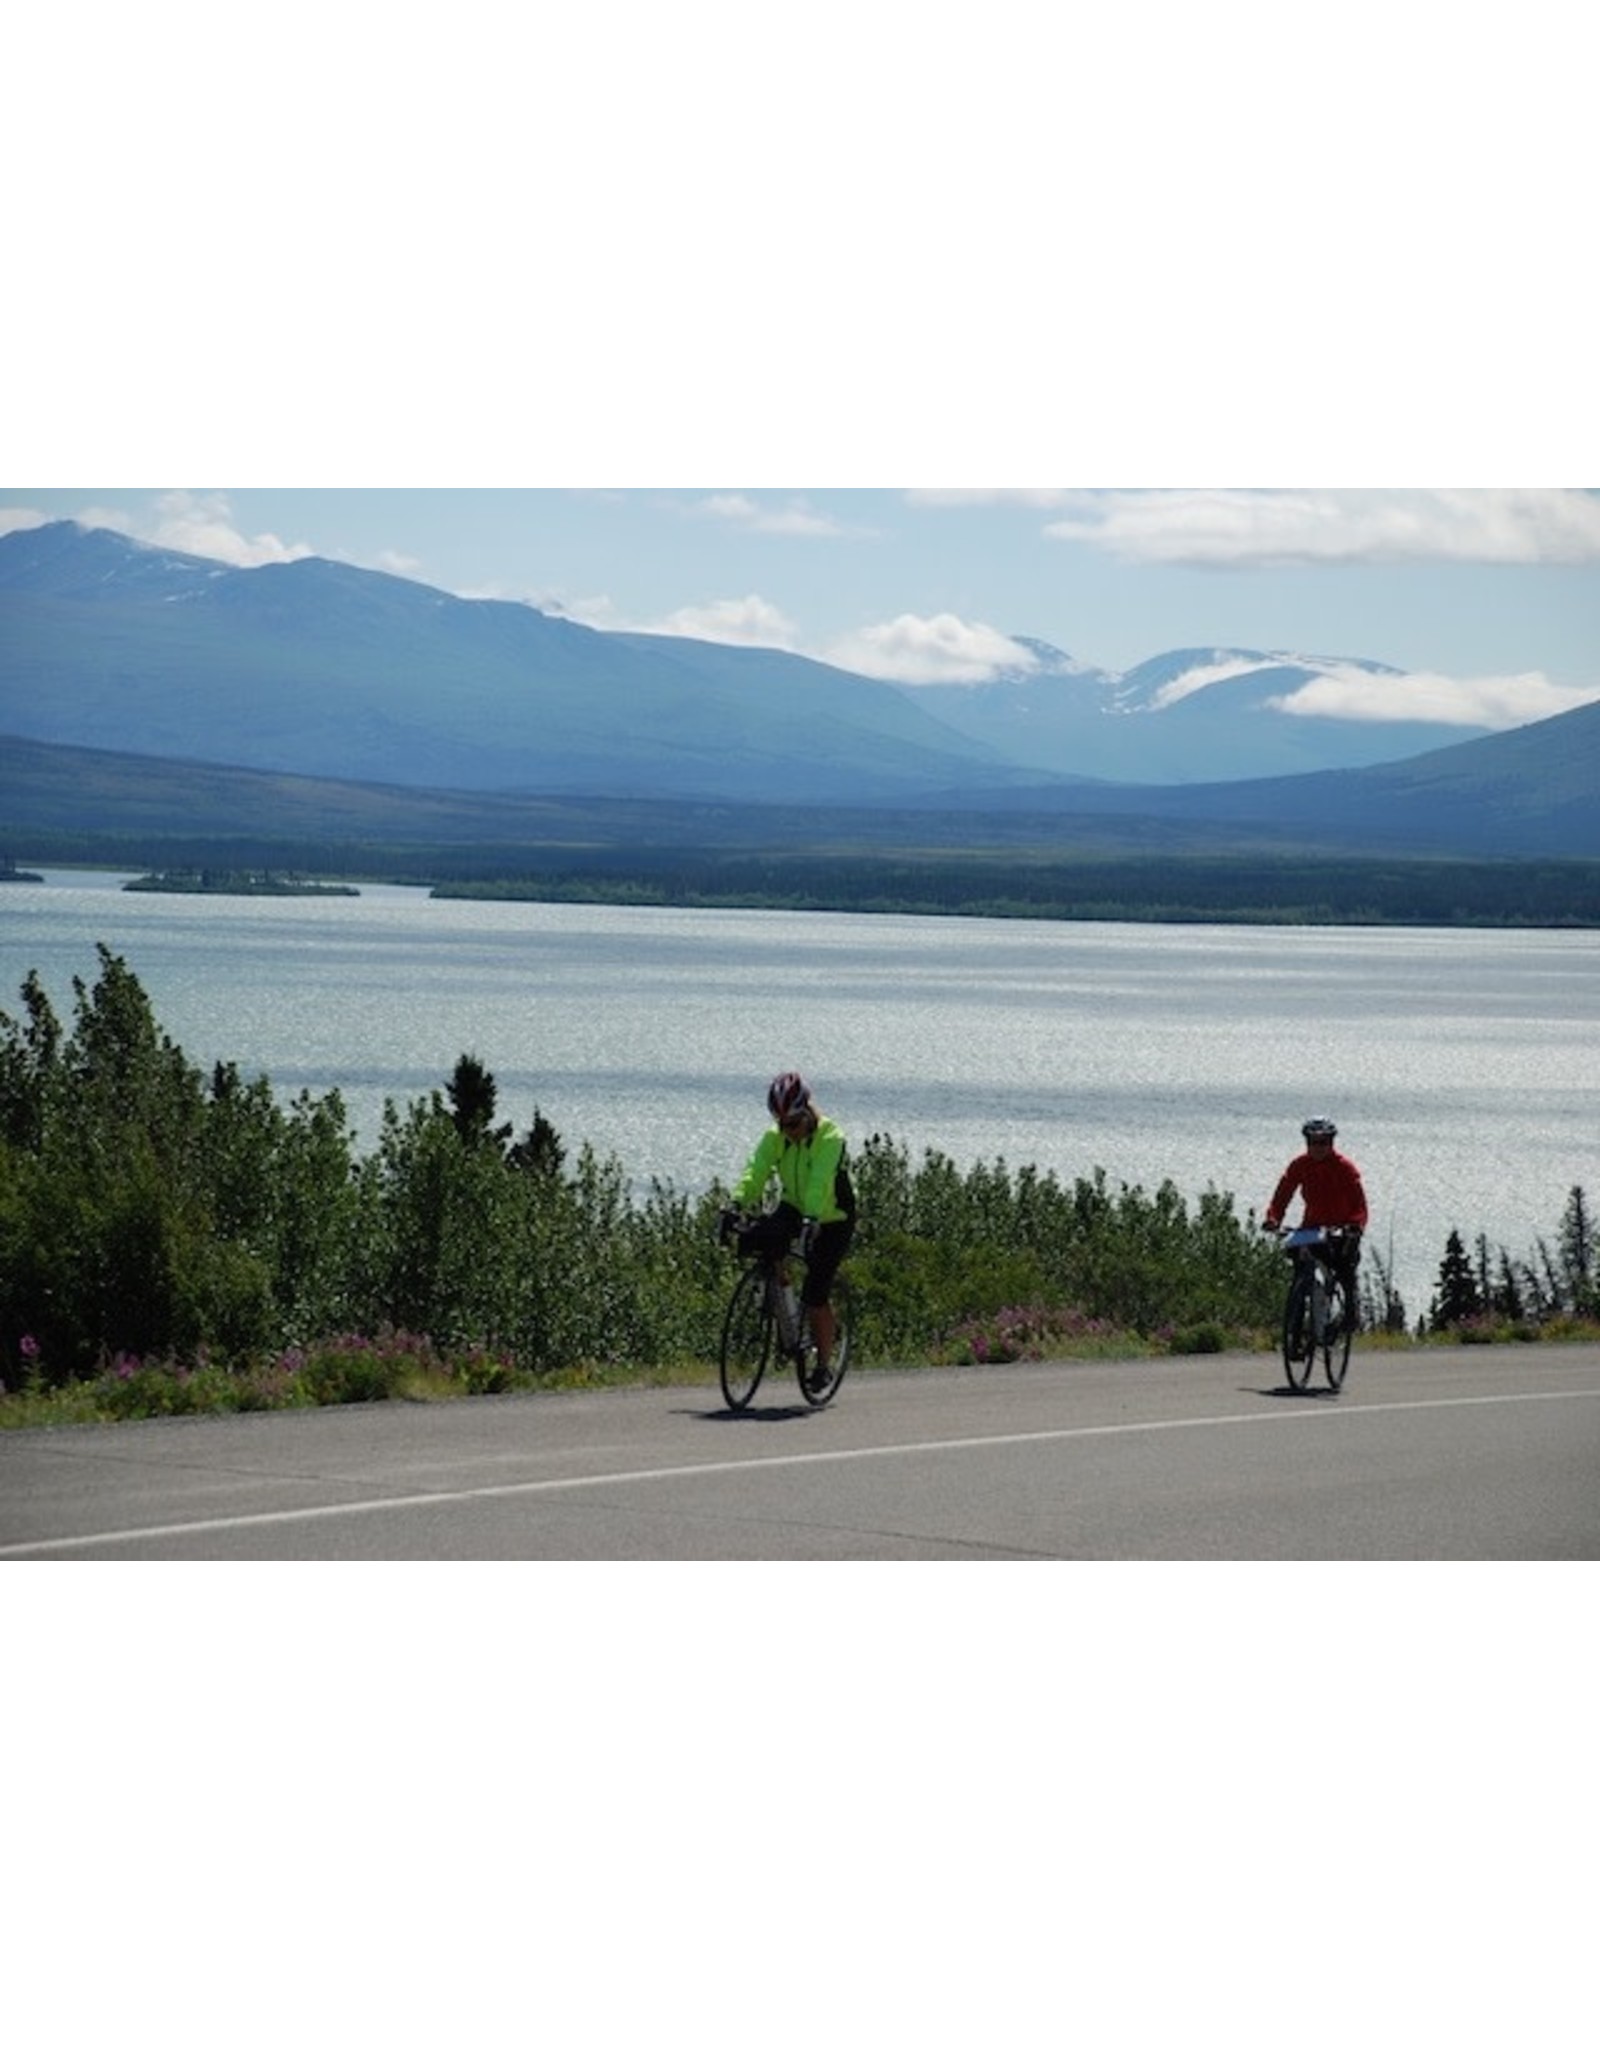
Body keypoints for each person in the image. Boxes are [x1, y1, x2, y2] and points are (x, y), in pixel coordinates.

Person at [729, 1071, 856, 1390]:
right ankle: (782, 1304)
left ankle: (823, 1365)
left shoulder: (831, 1137)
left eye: (793, 1124)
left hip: (832, 1217)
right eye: (781, 1124)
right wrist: (734, 1203)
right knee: (765, 1239)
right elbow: (756, 1171)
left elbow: (820, 1182)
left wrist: (812, 1217)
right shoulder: (777, 1137)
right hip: (795, 1206)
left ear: (807, 1114)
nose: (788, 1132)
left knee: (816, 1293)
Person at [1263, 1116, 1368, 1322]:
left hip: (1341, 1229)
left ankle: (1349, 1313)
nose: (1318, 1148)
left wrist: (1356, 1224)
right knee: (1297, 1260)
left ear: (1331, 1143)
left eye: (1323, 1142)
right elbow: (1282, 1195)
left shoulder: (1345, 1168)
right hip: (1311, 1229)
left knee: (1345, 1266)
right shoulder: (1300, 1165)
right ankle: (1298, 1321)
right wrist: (1273, 1219)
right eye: (1313, 1142)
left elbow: (1359, 1204)